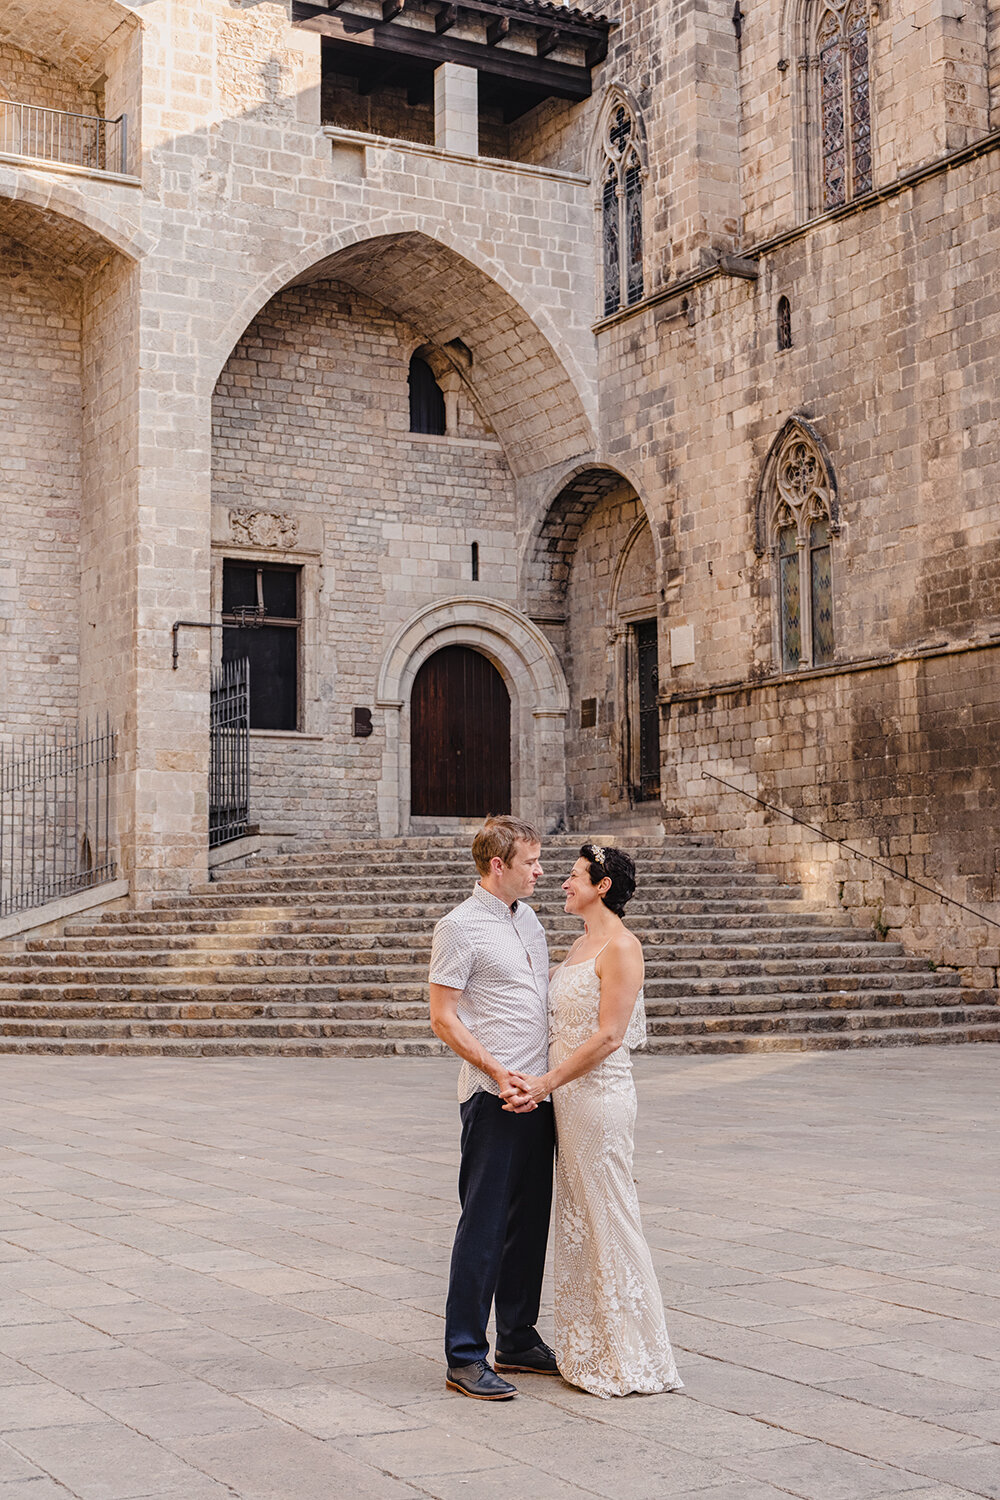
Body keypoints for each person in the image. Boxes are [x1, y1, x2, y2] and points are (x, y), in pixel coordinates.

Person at [505, 843, 683, 1399]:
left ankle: (633, 1351)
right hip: (569, 1104)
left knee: (609, 1214)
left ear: (602, 886)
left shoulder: (623, 948)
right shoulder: (580, 943)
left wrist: (545, 1083)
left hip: (600, 1101)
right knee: (581, 1218)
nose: (562, 883)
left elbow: (608, 1036)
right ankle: (590, 1345)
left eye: (574, 876)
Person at [428, 814, 559, 1401]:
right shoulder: (458, 927)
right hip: (492, 1096)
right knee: (482, 1226)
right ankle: (464, 1355)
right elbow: (443, 1017)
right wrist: (495, 1071)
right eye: (530, 862)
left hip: (540, 1093)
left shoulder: (529, 918)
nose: (540, 871)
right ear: (497, 865)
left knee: (529, 1223)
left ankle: (518, 1336)